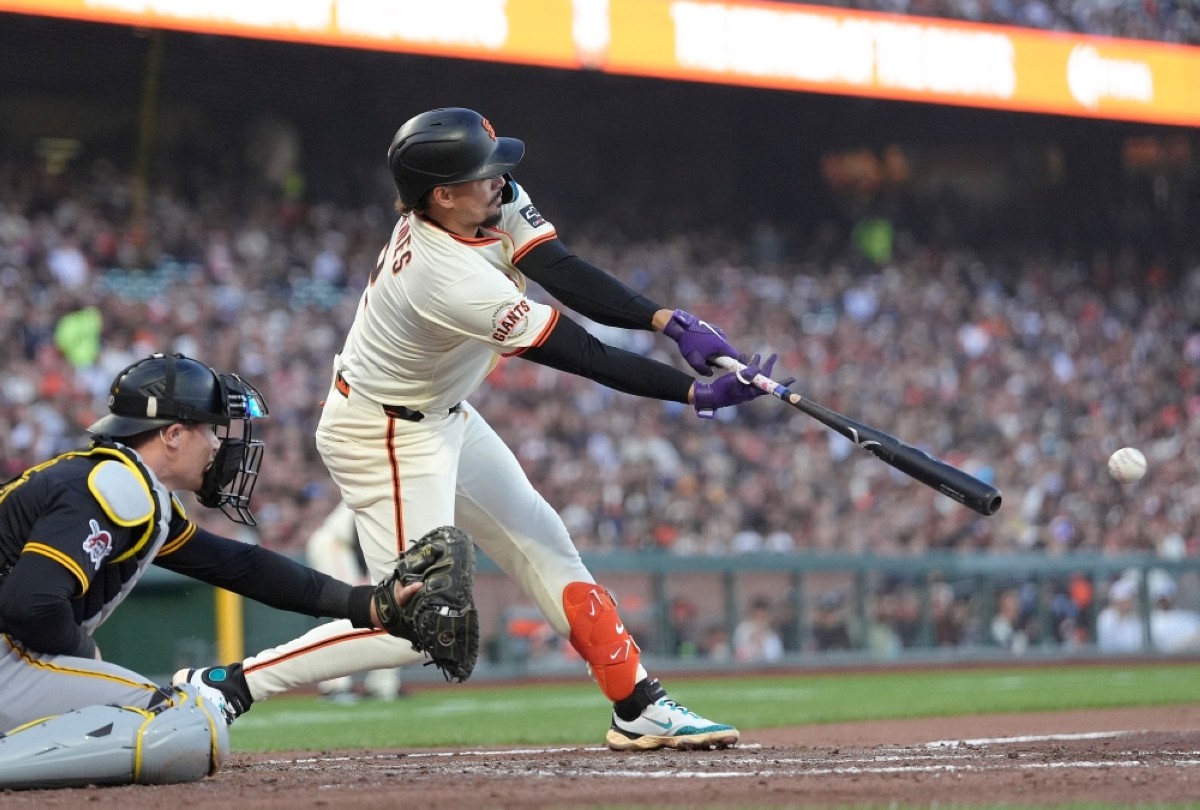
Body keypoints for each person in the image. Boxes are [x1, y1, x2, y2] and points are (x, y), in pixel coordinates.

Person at [177, 107, 787, 751]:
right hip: (384, 433)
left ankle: (638, 706)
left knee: (544, 541)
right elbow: (583, 354)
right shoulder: (444, 275)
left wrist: (668, 321)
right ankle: (229, 684)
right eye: (484, 171)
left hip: (443, 413)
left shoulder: (483, 204)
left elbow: (560, 267)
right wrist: (692, 391)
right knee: (412, 620)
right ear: (442, 195)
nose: (501, 178)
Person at [0, 353, 423, 789]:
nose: (216, 445)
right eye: (208, 429)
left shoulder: (122, 484)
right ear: (173, 434)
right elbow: (30, 605)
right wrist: (85, 655)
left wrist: (365, 604)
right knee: (182, 723)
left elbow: (240, 566)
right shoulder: (117, 486)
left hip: (11, 663)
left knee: (176, 721)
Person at [305, 500, 403, 702]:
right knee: (347, 612)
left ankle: (382, 686)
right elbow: (360, 527)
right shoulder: (387, 491)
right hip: (335, 545)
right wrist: (364, 576)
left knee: (388, 611)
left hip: (350, 550)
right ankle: (334, 686)